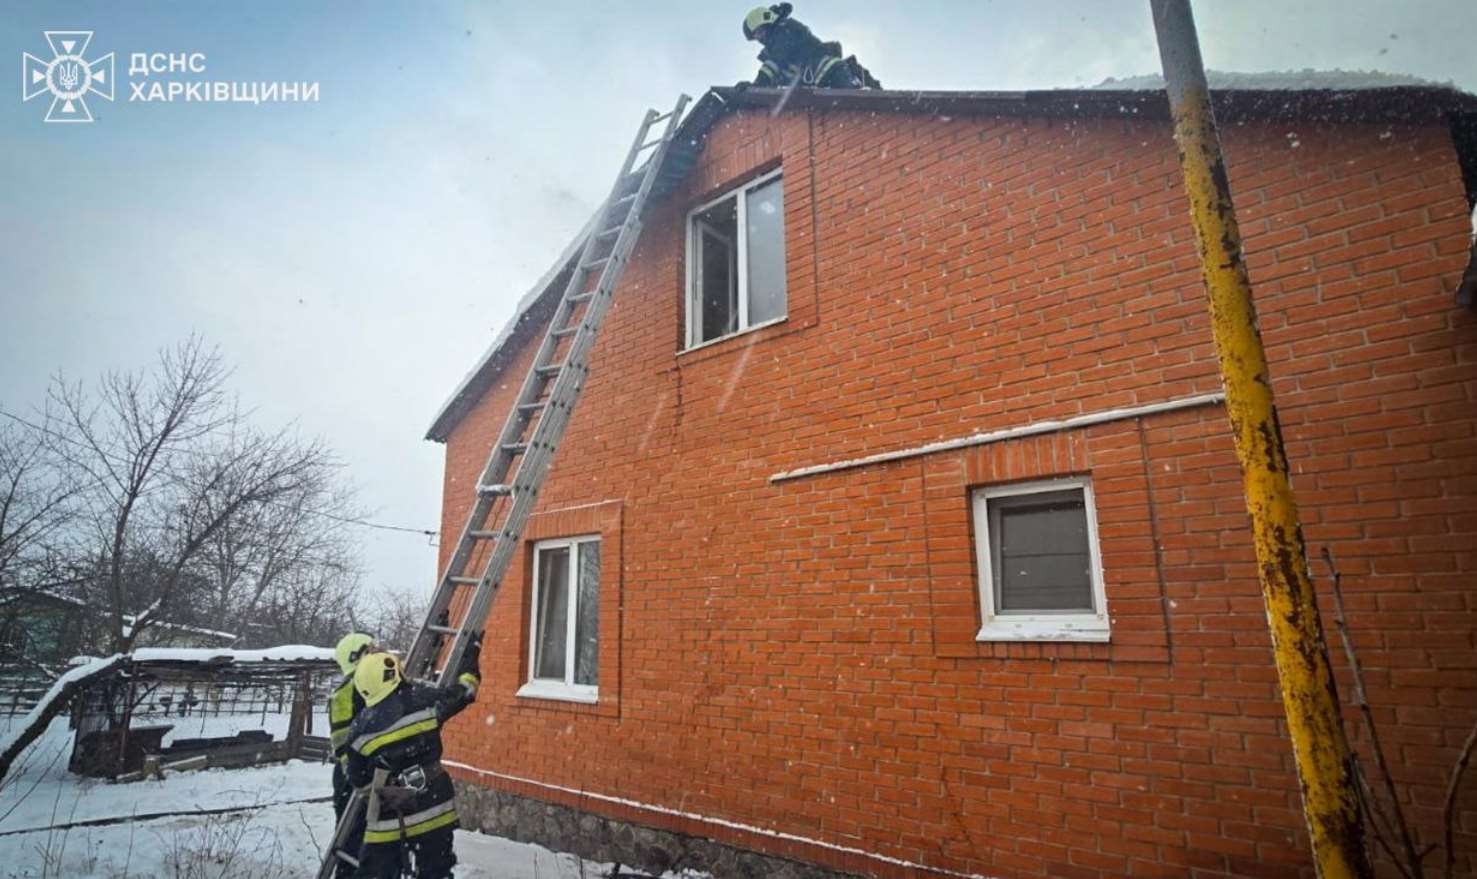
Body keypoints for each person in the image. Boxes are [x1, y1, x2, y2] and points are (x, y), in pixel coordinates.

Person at [344, 636, 482, 879]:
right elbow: (466, 690)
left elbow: (359, 780)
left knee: (375, 873)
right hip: (434, 808)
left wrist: (389, 791)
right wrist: (470, 653)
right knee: (435, 873)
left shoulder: (358, 730)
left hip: (387, 819)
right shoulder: (423, 700)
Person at [741, 4, 880, 90]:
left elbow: (775, 62)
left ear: (767, 22)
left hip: (830, 72)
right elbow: (777, 78)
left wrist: (757, 85)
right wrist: (753, 90)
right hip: (817, 82)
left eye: (758, 32)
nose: (758, 38)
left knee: (852, 100)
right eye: (755, 36)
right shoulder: (777, 45)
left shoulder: (784, 31)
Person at [329, 632, 376, 878]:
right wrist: (360, 778)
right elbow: (342, 742)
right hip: (353, 778)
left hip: (366, 774)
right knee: (353, 842)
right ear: (356, 656)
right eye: (371, 649)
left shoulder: (370, 683)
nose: (378, 652)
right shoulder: (346, 692)